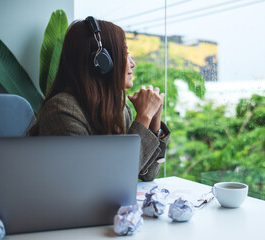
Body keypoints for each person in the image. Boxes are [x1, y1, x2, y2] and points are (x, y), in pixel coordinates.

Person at [27, 17, 170, 182]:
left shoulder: (121, 109)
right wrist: (143, 117)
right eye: (125, 53)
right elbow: (105, 181)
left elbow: (148, 174)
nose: (133, 64)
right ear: (102, 61)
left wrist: (154, 119)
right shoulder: (62, 110)